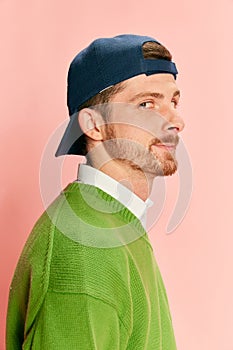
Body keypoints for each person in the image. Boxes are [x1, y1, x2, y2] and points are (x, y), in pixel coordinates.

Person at [6, 34, 185, 349]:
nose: (176, 121)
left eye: (173, 102)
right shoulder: (84, 249)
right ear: (94, 125)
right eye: (147, 104)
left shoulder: (114, 226)